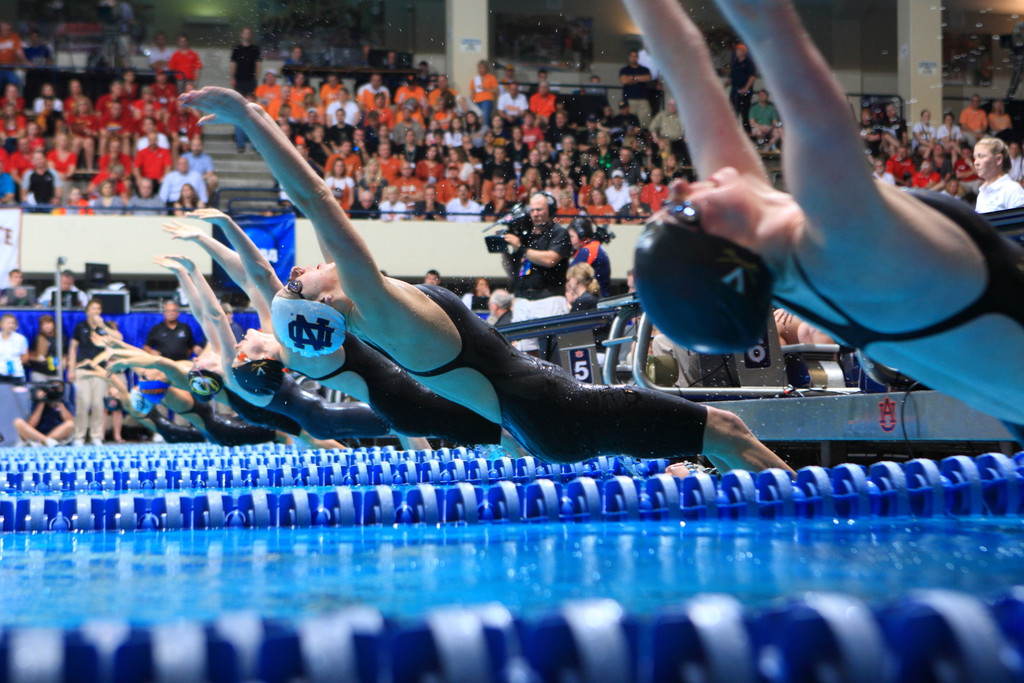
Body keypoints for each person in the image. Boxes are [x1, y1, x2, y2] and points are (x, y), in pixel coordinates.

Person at [181, 85, 792, 474]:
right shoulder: (372, 303)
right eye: (301, 280)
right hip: (557, 409)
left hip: (542, 418)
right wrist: (252, 117)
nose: (303, 267)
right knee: (727, 433)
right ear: (326, 303)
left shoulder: (376, 314)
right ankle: (817, 536)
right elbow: (315, 198)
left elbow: (294, 250)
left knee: (699, 451)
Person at [622, 0, 1024, 436]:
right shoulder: (842, 238)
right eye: (682, 212)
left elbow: (683, 61)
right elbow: (769, 27)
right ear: (730, 251)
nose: (679, 187)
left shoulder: (773, 253)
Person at [67, 298, 120, 445]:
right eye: (93, 308)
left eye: (98, 308)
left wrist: (103, 325)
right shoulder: (80, 326)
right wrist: (71, 369)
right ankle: (79, 436)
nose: (95, 311)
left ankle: (96, 435)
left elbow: (119, 338)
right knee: (82, 404)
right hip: (83, 370)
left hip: (100, 371)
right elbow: (73, 348)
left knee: (98, 404)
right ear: (87, 311)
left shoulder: (105, 326)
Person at [12, 380, 73, 447]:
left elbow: (69, 421)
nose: (55, 390)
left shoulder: (63, 402)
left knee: (70, 424)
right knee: (18, 422)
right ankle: (46, 440)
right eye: (53, 388)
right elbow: (32, 424)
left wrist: (59, 403)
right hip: (36, 434)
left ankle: (45, 441)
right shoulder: (37, 401)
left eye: (58, 388)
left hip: (55, 434)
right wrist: (42, 402)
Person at [974, 137, 1024, 213]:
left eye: (981, 156)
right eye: (975, 157)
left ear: (998, 159)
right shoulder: (982, 192)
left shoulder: (1013, 190)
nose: (976, 162)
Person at [568, 217, 611, 298]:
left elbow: (570, 274)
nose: (570, 240)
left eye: (572, 236)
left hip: (596, 298)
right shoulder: (594, 246)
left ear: (582, 236)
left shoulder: (587, 250)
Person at [618, 49, 652, 127]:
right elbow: (624, 81)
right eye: (631, 56)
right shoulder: (624, 70)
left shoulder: (644, 69)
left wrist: (632, 78)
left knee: (645, 123)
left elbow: (647, 78)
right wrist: (638, 78)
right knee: (631, 123)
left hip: (643, 99)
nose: (633, 58)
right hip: (629, 100)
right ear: (629, 57)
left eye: (635, 56)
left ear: (638, 58)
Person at [28, 314, 60, 380]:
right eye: (44, 324)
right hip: (40, 372)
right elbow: (30, 356)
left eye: (49, 323)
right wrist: (38, 358)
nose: (47, 326)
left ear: (53, 324)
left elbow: (65, 354)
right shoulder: (38, 338)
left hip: (55, 373)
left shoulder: (61, 339)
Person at [0, 313, 29, 384]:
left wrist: (16, 364)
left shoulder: (21, 339)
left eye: (13, 323)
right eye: (8, 323)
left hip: (16, 374)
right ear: (1, 324)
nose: (11, 325)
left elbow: (26, 357)